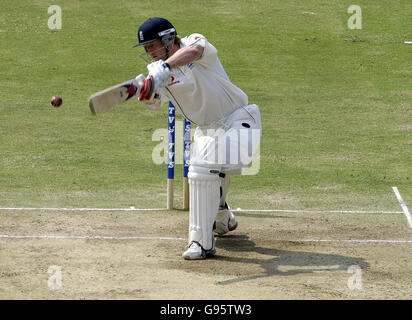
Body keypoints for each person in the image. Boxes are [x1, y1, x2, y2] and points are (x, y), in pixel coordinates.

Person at [134, 17, 262, 260]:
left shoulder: (194, 41)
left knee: (201, 168)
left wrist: (165, 68)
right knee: (204, 168)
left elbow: (194, 51)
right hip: (206, 131)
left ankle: (201, 241)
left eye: (152, 45)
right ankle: (219, 216)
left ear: (168, 38)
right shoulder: (156, 72)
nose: (148, 51)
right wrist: (147, 90)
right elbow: (154, 102)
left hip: (239, 120)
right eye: (146, 47)